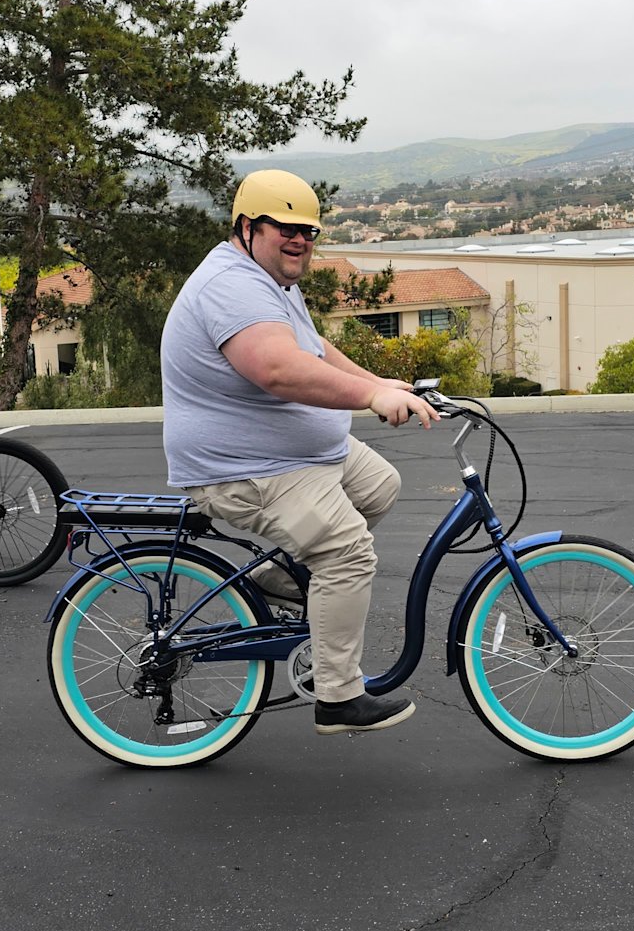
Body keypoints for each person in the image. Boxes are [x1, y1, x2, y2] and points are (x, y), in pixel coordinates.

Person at [161, 168, 439, 734]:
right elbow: (278, 369)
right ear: (246, 227)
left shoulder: (271, 280)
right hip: (244, 468)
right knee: (346, 552)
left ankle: (275, 583)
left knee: (379, 485)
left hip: (291, 455)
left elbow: (312, 349)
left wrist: (383, 382)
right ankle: (338, 698)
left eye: (308, 231)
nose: (300, 240)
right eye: (284, 227)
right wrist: (369, 396)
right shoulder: (232, 286)